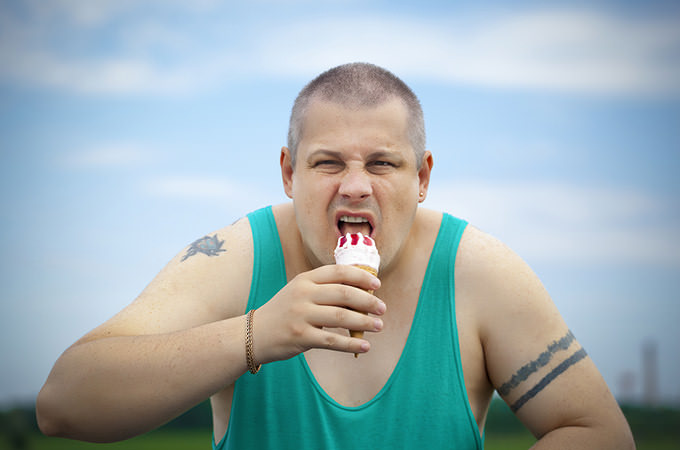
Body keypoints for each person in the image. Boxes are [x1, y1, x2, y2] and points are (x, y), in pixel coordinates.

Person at [36, 62, 635, 449]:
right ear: (288, 172)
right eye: (327, 162)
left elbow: (599, 433)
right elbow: (64, 406)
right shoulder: (235, 258)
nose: (354, 186)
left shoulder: (479, 271)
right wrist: (256, 333)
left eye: (381, 162)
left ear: (422, 177)